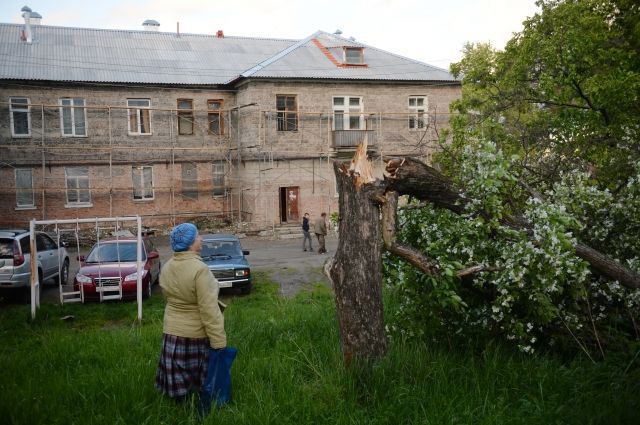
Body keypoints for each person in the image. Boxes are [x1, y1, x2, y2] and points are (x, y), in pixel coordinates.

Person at [155, 223, 226, 404]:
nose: (201, 238)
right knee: (200, 384)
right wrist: (218, 341)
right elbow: (209, 310)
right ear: (190, 243)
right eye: (198, 236)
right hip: (195, 335)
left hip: (171, 333)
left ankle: (180, 410)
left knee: (179, 389)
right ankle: (198, 412)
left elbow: (170, 297)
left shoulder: (168, 266)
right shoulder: (200, 270)